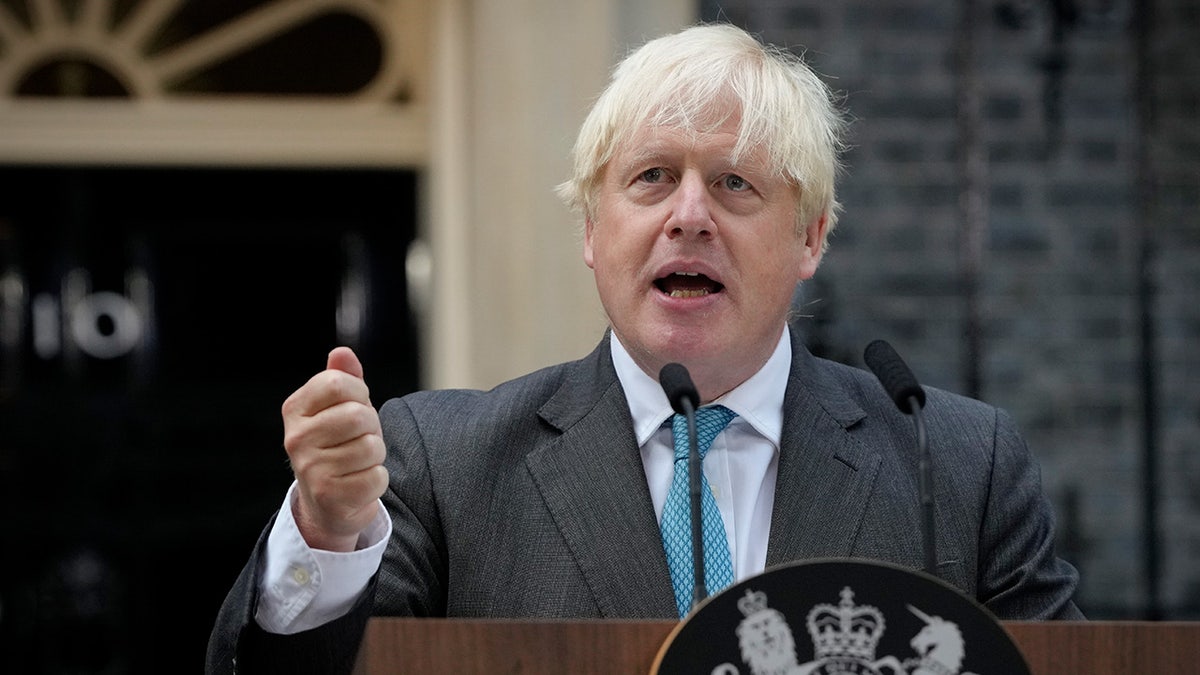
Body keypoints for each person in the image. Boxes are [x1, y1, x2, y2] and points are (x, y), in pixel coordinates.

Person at [206, 22, 1083, 674]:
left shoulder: (956, 466)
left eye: (735, 182)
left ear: (811, 237)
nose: (689, 215)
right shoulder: (447, 462)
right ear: (593, 227)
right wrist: (326, 529)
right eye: (652, 177)